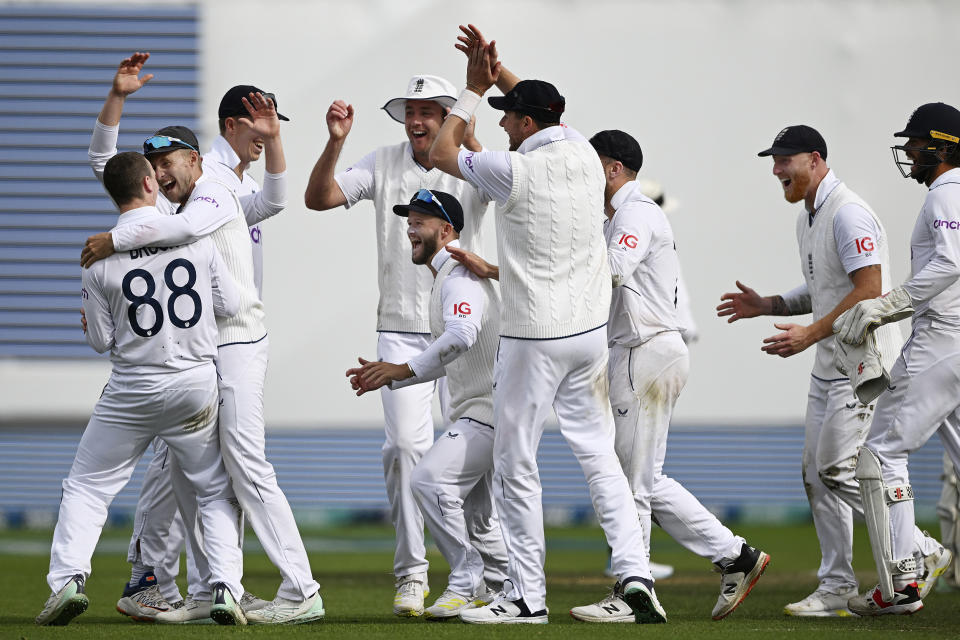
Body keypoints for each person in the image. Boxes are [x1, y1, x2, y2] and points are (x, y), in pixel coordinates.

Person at [426, 25, 665, 625]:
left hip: (534, 336)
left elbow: (441, 152)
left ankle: (526, 597)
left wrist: (474, 89)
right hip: (588, 334)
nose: (503, 125)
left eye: (510, 117)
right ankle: (635, 572)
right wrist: (506, 77)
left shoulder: (513, 170)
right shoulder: (585, 152)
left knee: (515, 461)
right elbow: (546, 110)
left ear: (527, 125)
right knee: (599, 456)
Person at [81, 121, 323, 625]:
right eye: (155, 167)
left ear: (195, 159)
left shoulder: (212, 191)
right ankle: (201, 588)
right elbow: (110, 170)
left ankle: (300, 589)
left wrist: (113, 240)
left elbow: (191, 230)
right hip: (203, 356)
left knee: (244, 466)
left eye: (169, 161)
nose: (161, 173)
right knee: (183, 470)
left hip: (236, 344)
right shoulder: (173, 206)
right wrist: (115, 102)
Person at [717, 124, 945, 616]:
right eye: (773, 161)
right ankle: (837, 584)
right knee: (816, 476)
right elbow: (823, 288)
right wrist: (771, 303)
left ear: (816, 160)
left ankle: (921, 550)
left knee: (837, 468)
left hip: (862, 363)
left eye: (785, 160)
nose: (777, 170)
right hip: (830, 363)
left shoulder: (849, 213)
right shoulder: (809, 215)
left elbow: (868, 290)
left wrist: (809, 334)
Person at [303, 73, 490, 615]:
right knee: (405, 449)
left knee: (477, 466)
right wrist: (335, 142)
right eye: (410, 111)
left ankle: (483, 575)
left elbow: (513, 189)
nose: (415, 120)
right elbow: (319, 199)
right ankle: (412, 574)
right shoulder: (383, 161)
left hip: (466, 332)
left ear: (447, 117)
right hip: (401, 329)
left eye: (428, 111)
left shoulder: (471, 162)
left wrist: (473, 138)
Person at [36, 152, 246, 626]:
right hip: (194, 382)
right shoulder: (195, 239)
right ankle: (226, 590)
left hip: (133, 388)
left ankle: (68, 581)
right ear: (151, 183)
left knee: (88, 487)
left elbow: (99, 341)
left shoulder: (97, 259)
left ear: (114, 194)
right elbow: (231, 304)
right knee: (212, 490)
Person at [569, 130, 769, 623]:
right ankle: (735, 556)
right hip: (646, 350)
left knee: (630, 482)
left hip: (645, 350)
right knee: (644, 477)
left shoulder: (636, 212)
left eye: (590, 166)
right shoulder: (621, 215)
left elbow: (614, 269)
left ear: (613, 169)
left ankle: (634, 592)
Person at [345, 189, 508, 619]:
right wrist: (395, 372)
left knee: (428, 482)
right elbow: (455, 350)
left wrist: (402, 370)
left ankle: (465, 581)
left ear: (448, 230)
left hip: (487, 414)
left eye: (420, 221)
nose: (410, 229)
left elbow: (461, 336)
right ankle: (506, 591)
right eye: (409, 221)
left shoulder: (457, 277)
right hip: (489, 412)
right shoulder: (449, 277)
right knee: (479, 518)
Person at [834, 102, 960, 615]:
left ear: (942, 145)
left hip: (942, 339)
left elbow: (952, 261)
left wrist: (888, 305)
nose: (908, 151)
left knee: (882, 452)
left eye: (916, 142)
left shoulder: (945, 193)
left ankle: (905, 577)